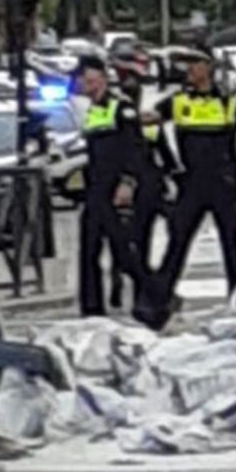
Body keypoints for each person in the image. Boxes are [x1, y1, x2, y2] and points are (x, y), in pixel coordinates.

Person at [151, 46, 236, 325]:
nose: (189, 69)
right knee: (177, 243)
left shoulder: (230, 102)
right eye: (187, 64)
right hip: (191, 183)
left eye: (194, 63)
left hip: (225, 182)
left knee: (231, 244)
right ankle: (158, 303)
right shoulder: (179, 101)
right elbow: (151, 119)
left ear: (209, 67)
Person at [75, 56, 162, 321]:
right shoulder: (93, 109)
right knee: (88, 249)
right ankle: (91, 309)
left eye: (90, 79)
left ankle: (157, 296)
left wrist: (128, 183)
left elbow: (135, 148)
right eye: (83, 80)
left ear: (103, 78)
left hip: (115, 188)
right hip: (96, 187)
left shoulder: (121, 107)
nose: (85, 84)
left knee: (123, 252)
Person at [108, 48, 178, 309]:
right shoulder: (126, 119)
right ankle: (141, 288)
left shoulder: (142, 122)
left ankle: (134, 288)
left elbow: (166, 156)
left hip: (144, 189)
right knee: (135, 242)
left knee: (132, 241)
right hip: (137, 188)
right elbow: (166, 158)